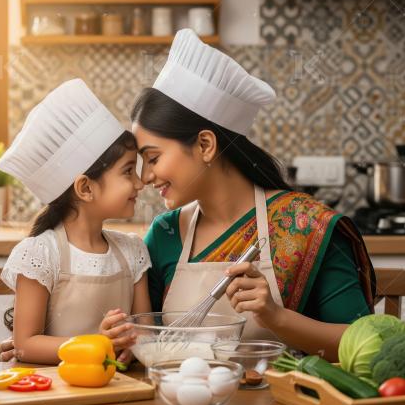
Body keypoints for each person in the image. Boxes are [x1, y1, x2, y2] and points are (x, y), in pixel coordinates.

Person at [131, 29, 376, 362]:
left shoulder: (307, 226)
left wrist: (277, 317)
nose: (145, 177)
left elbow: (365, 342)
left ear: (205, 145)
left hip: (282, 396)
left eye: (153, 158)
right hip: (181, 395)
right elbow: (149, 340)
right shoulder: (165, 235)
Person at [0, 79, 151, 364]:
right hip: (55, 388)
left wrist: (133, 345)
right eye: (128, 171)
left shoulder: (133, 251)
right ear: (85, 188)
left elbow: (145, 331)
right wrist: (96, 345)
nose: (140, 183)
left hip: (120, 386)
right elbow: (25, 345)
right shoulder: (40, 255)